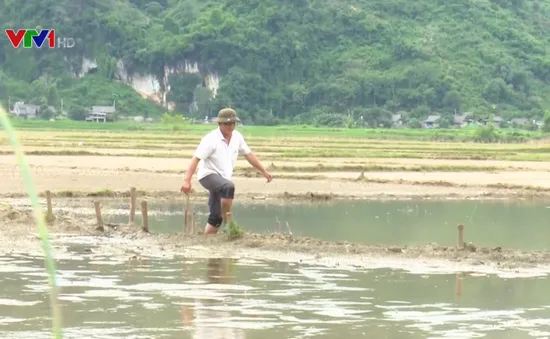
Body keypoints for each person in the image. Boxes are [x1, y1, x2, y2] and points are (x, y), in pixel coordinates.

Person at [181, 108, 273, 235]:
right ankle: (229, 224)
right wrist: (187, 181)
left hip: (223, 178)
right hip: (208, 175)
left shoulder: (237, 137)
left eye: (232, 124)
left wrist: (263, 171)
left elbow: (248, 154)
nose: (230, 127)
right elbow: (196, 159)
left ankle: (206, 240)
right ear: (220, 124)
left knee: (215, 217)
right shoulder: (211, 139)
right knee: (228, 187)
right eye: (227, 124)